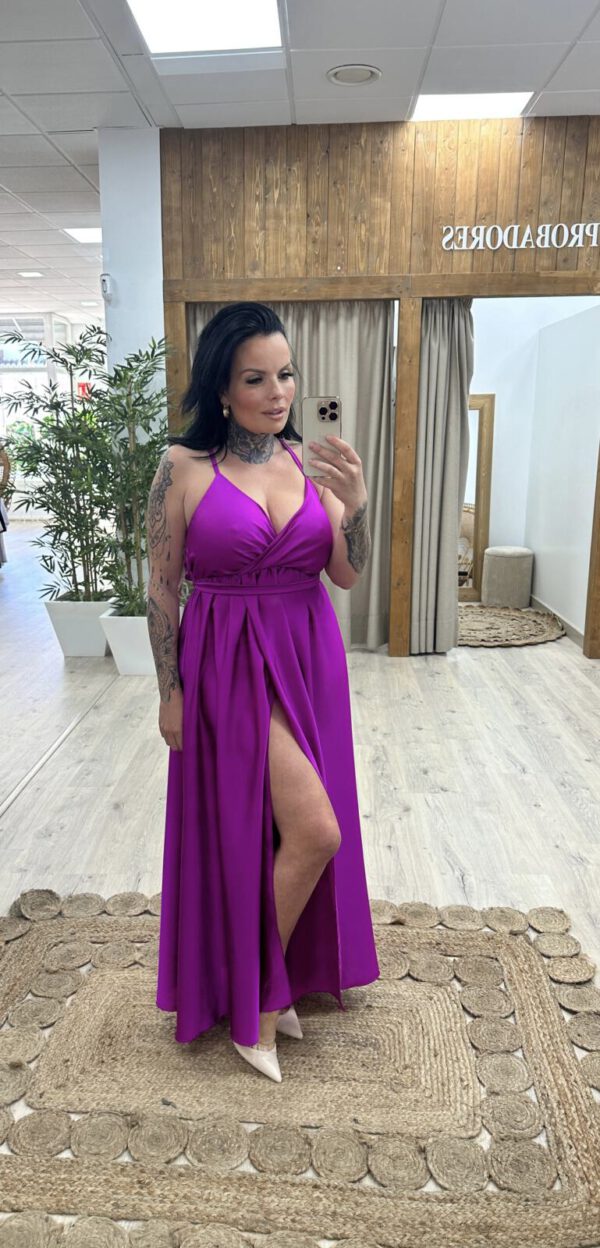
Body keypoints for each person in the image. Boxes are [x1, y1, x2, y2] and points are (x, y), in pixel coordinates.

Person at [146, 301, 380, 1083]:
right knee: (313, 830)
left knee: (290, 831)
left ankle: (263, 986)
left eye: (285, 374)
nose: (277, 392)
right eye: (255, 379)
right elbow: (161, 588)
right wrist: (170, 692)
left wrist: (356, 504)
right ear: (221, 388)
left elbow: (346, 573)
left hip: (307, 661)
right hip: (226, 665)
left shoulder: (306, 463)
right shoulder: (183, 467)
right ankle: (254, 1000)